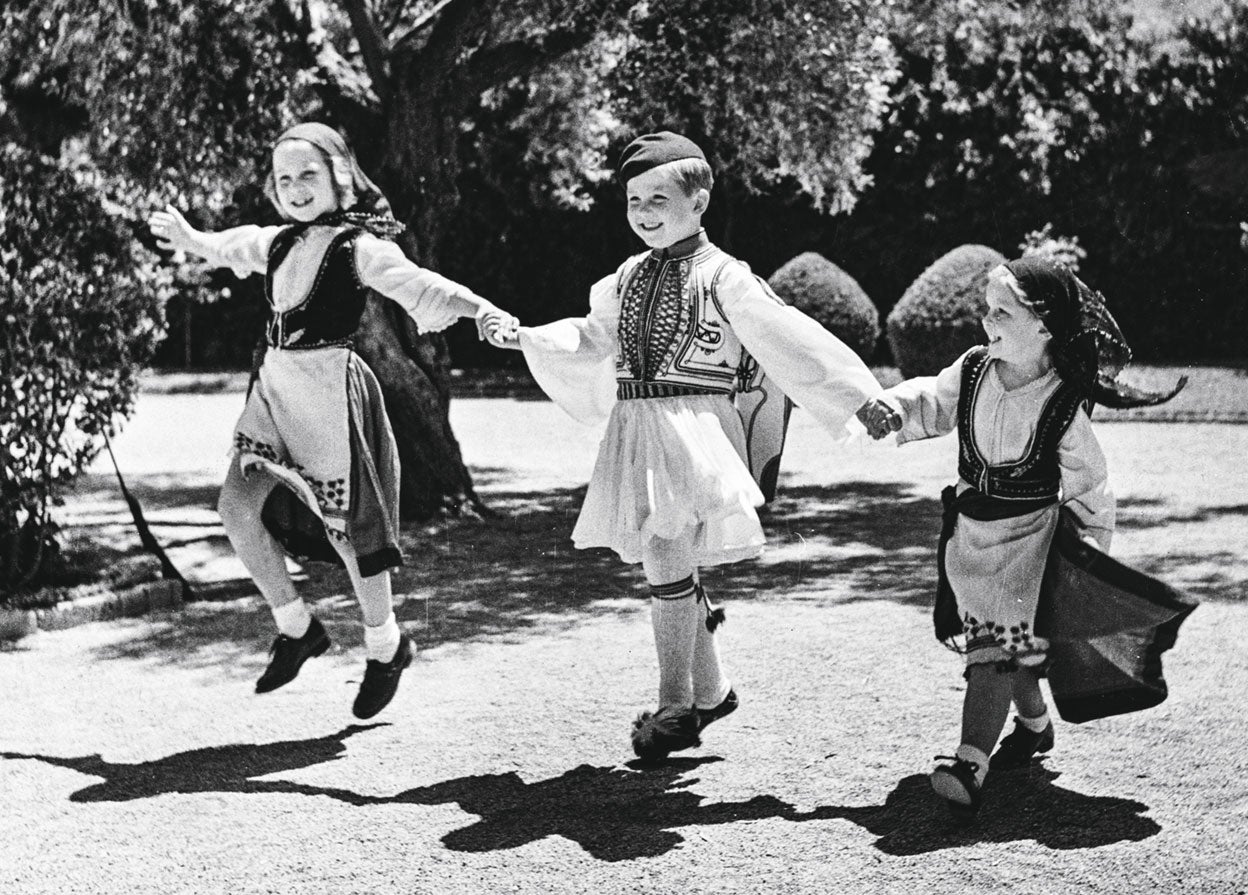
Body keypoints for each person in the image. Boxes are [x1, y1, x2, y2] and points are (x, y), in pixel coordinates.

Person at [483, 131, 887, 761]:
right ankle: (713, 689)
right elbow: (592, 339)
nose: (644, 211)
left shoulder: (726, 275)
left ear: (699, 203)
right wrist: (527, 337)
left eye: (659, 197)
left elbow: (788, 337)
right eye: (633, 199)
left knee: (666, 547)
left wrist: (861, 397)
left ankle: (674, 705)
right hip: (637, 427)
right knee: (666, 553)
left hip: (695, 428)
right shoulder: (624, 278)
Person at [149, 122, 514, 719]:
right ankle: (297, 628)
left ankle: (386, 646)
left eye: (308, 175)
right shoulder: (277, 243)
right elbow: (229, 245)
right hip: (273, 392)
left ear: (340, 179)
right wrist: (191, 237)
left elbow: (422, 286)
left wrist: (483, 311)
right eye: (284, 177)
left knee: (351, 535)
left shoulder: (360, 247)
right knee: (236, 510)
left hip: (328, 397)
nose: (295, 188)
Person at [858, 257, 1191, 821]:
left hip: (1028, 546)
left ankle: (969, 761)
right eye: (986, 310)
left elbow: (1091, 484)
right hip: (972, 536)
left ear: (1045, 327)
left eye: (1002, 312)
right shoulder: (971, 371)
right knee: (1014, 653)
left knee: (997, 651)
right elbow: (930, 401)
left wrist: (1084, 558)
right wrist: (894, 407)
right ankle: (1034, 726)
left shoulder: (1062, 403)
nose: (988, 322)